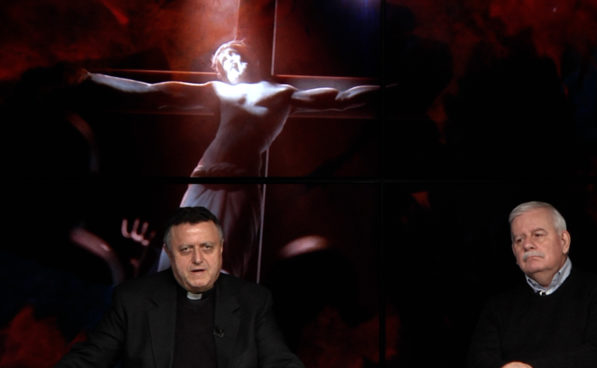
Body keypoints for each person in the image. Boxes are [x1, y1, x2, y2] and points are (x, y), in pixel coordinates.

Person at [84, 39, 379, 278]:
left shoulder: (282, 94)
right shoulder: (219, 91)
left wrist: (390, 92)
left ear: (253, 60)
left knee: (225, 259)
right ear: (221, 73)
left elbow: (341, 100)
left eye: (235, 55)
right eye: (224, 61)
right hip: (204, 178)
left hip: (240, 183)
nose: (231, 62)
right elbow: (152, 92)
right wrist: (91, 78)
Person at [0, 206, 329, 368]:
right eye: (186, 250)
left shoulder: (253, 300)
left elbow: (276, 357)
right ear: (169, 254)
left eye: (207, 248)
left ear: (221, 250)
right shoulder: (134, 299)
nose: (198, 259)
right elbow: (92, 356)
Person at [467, 201, 597, 368]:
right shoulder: (498, 306)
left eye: (538, 235)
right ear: (514, 252)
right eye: (519, 239)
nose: (527, 245)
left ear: (564, 241)